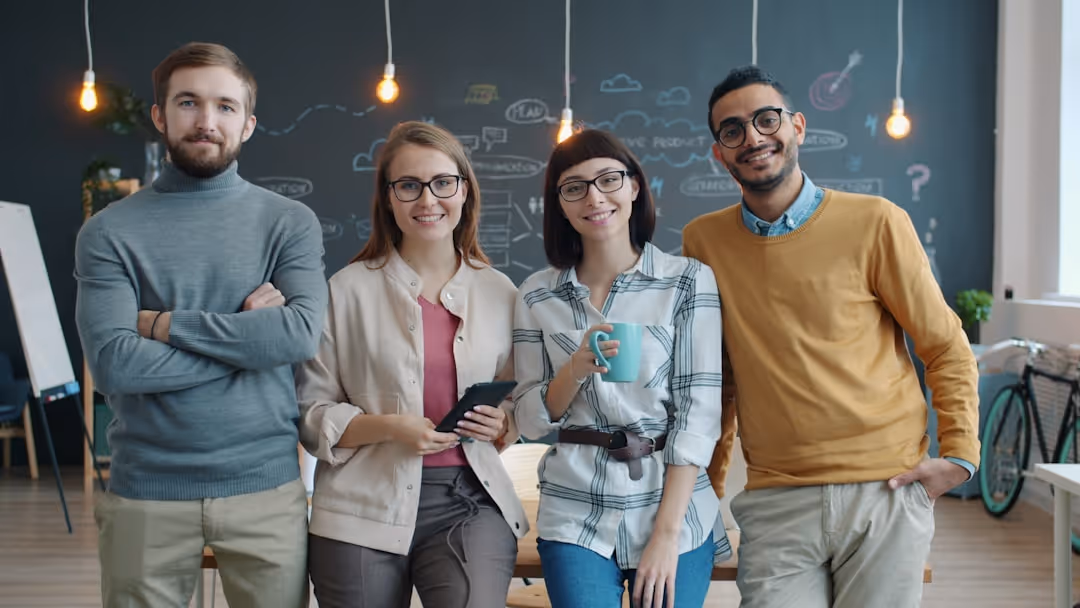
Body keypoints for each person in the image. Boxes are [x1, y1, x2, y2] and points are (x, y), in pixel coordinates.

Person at [684, 65, 980, 608]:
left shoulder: (877, 222)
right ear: (718, 154)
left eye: (766, 119)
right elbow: (716, 379)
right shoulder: (703, 242)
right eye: (732, 130)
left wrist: (959, 456)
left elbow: (944, 345)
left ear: (797, 126)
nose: (752, 137)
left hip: (885, 491)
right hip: (776, 499)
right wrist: (704, 490)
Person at [74, 42, 327, 608]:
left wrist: (164, 325)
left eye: (225, 107)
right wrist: (245, 335)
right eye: (188, 103)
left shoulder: (289, 223)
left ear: (249, 123)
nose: (207, 121)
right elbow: (115, 364)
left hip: (266, 490)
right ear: (160, 115)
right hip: (145, 493)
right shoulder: (109, 233)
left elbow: (298, 335)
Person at [295, 120, 528, 608]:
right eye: (409, 185)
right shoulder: (345, 290)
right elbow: (311, 416)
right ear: (388, 197)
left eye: (443, 183)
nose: (428, 200)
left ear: (465, 190)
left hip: (469, 500)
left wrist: (504, 420)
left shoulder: (501, 291)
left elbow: (520, 401)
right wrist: (391, 428)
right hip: (361, 500)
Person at [513, 129, 729, 608]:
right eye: (575, 187)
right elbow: (528, 420)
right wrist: (574, 368)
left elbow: (698, 416)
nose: (594, 197)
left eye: (608, 179)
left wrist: (666, 536)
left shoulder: (687, 281)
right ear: (561, 205)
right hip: (574, 505)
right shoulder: (536, 294)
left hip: (674, 506)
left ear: (634, 187)